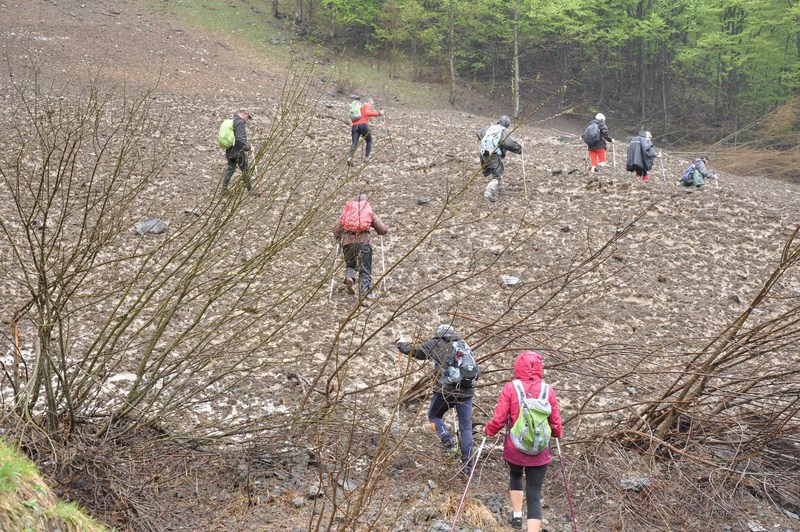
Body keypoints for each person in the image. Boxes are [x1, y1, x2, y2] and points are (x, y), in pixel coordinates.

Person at [484, 351, 563, 532]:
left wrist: (488, 431)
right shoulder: (547, 390)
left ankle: (517, 514)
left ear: (518, 366)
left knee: (516, 474)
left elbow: (499, 419)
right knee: (534, 496)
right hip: (540, 451)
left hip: (515, 448)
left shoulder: (511, 388)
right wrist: (557, 434)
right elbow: (555, 422)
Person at [396, 324, 475, 474]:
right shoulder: (463, 344)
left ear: (439, 333)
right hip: (466, 390)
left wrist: (400, 343)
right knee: (466, 428)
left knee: (434, 415)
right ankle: (468, 469)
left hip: (447, 390)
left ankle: (448, 443)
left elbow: (415, 350)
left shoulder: (437, 343)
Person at [332, 194, 389, 299]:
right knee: (365, 268)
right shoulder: (368, 211)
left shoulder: (347, 211)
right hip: (364, 243)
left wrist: (340, 239)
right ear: (366, 201)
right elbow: (382, 229)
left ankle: (350, 277)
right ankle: (365, 293)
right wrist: (383, 231)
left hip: (347, 244)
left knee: (350, 264)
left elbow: (335, 229)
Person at [476, 115, 523, 202]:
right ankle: (488, 194)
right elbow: (509, 143)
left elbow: (478, 133)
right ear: (507, 124)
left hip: (483, 153)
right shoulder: (502, 131)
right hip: (492, 154)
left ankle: (502, 191)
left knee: (497, 172)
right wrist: (519, 148)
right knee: (497, 174)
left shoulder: (490, 128)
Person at [221, 109, 254, 192]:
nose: (248, 119)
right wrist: (248, 147)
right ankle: (250, 190)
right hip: (238, 150)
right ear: (244, 114)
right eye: (248, 117)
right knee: (245, 170)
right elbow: (240, 138)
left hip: (230, 150)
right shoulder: (240, 122)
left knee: (230, 170)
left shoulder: (233, 121)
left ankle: (223, 190)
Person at [348, 98, 384, 165]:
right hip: (363, 125)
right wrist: (378, 114)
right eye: (372, 102)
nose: (372, 104)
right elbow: (367, 113)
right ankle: (366, 158)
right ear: (369, 101)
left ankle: (350, 157)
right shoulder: (367, 105)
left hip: (355, 126)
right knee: (369, 141)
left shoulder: (359, 106)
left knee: (354, 142)